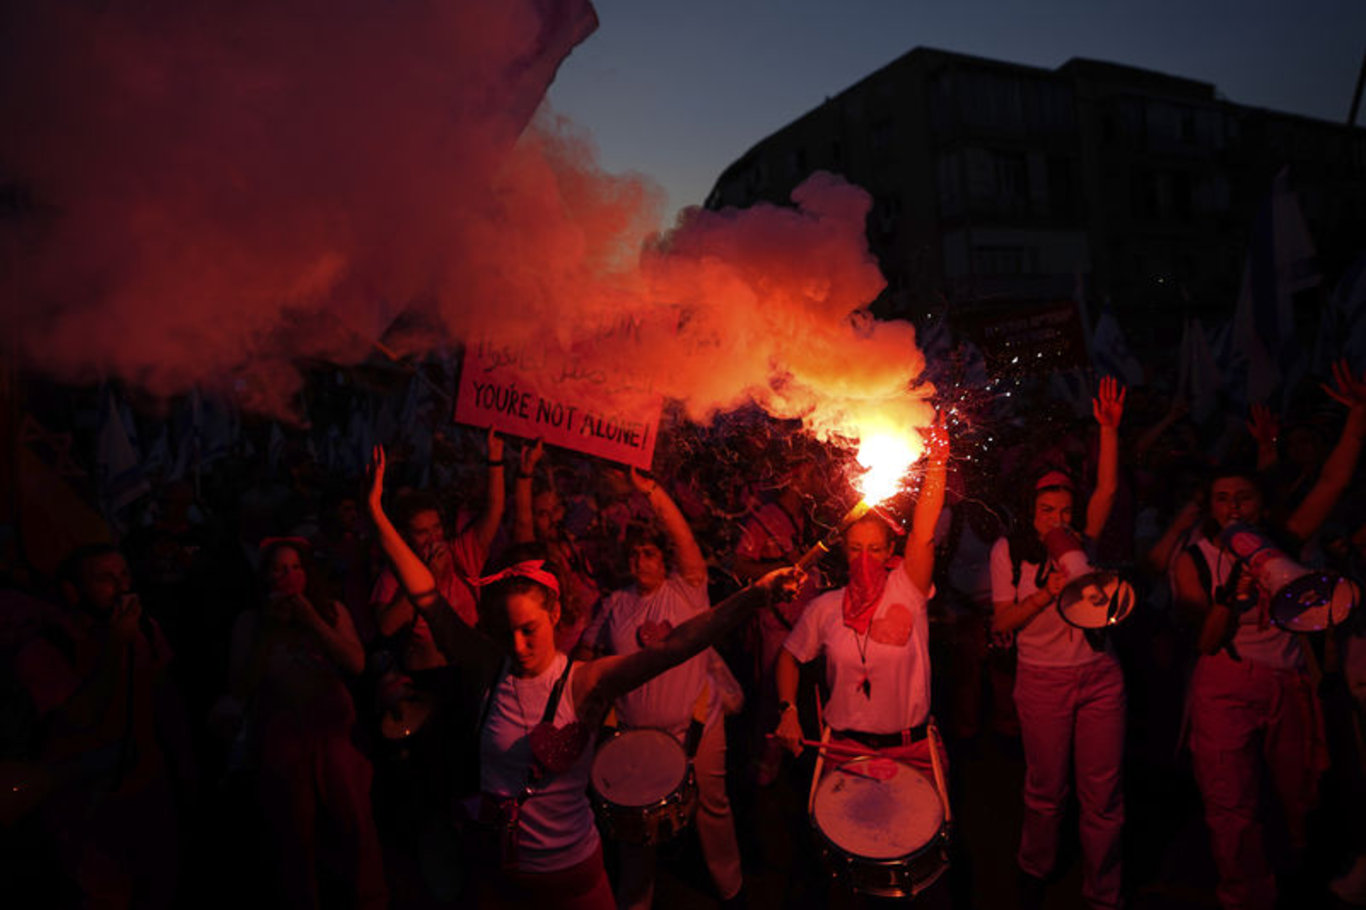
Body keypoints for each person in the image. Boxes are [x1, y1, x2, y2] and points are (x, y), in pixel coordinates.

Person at [365, 445, 792, 910]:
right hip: (500, 874)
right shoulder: (490, 666)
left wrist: (756, 595)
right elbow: (425, 594)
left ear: (553, 613)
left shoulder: (585, 683)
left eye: (528, 630)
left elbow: (678, 645)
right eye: (507, 633)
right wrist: (375, 512)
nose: (518, 647)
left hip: (574, 877)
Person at [1171, 360, 1366, 910]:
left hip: (1286, 683)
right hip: (1225, 685)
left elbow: (1333, 482)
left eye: (1245, 499)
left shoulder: (1282, 538)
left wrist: (1358, 417)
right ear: (1210, 510)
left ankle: (1293, 879)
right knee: (1232, 806)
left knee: (1296, 795)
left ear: (1260, 505)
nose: (1235, 509)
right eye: (1223, 501)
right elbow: (1206, 643)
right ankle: (1243, 895)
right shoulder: (1195, 558)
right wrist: (1230, 597)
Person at [574, 466, 747, 909]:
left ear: (662, 558)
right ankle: (636, 902)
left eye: (649, 553)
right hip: (635, 735)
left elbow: (687, 542)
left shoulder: (687, 591)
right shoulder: (615, 605)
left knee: (713, 807)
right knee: (637, 826)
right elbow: (588, 655)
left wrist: (654, 493)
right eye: (633, 555)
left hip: (697, 725)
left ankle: (732, 889)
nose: (640, 562)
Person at [989, 376, 1126, 910]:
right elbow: (1004, 624)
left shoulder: (1083, 544)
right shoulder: (1011, 552)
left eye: (1066, 511)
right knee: (1046, 791)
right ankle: (1035, 867)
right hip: (1042, 682)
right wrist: (1047, 590)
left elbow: (1109, 491)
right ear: (1031, 512)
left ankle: (1104, 891)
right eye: (1048, 511)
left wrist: (1108, 431)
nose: (1059, 520)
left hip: (1099, 679)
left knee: (1104, 795)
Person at [772, 415, 949, 800]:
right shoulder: (825, 608)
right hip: (844, 751)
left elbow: (923, 530)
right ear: (844, 554)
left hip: (911, 750)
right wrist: (788, 710)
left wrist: (937, 461)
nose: (865, 558)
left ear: (889, 552)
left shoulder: (909, 590)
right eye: (856, 549)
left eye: (874, 549)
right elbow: (788, 658)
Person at [11, 543, 187, 909]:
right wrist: (115, 647)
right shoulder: (46, 647)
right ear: (72, 591)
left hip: (149, 792)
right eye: (105, 579)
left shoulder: (145, 631)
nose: (121, 587)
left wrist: (185, 770)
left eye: (123, 575)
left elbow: (164, 700)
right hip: (85, 807)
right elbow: (78, 718)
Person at [217, 537, 385, 909]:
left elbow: (356, 664)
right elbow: (239, 687)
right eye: (279, 569)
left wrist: (312, 621)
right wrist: (269, 632)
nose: (289, 576)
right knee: (294, 834)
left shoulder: (331, 611)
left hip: (334, 734)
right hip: (282, 741)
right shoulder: (250, 622)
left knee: (355, 825)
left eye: (295, 567)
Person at [369, 428, 506, 671]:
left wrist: (495, 458)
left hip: (468, 671)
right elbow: (386, 627)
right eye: (422, 532)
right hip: (427, 676)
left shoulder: (461, 552)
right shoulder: (393, 575)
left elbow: (494, 509)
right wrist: (428, 577)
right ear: (405, 537)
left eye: (436, 528)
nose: (433, 538)